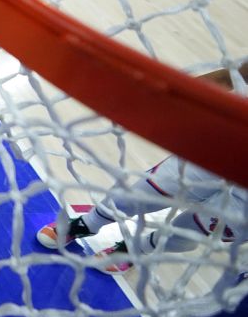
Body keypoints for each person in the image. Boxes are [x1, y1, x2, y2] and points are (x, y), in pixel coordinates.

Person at [36, 64, 247, 275]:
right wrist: (177, 98)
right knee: (153, 188)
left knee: (201, 227)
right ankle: (88, 223)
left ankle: (136, 249)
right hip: (227, 145)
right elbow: (232, 76)